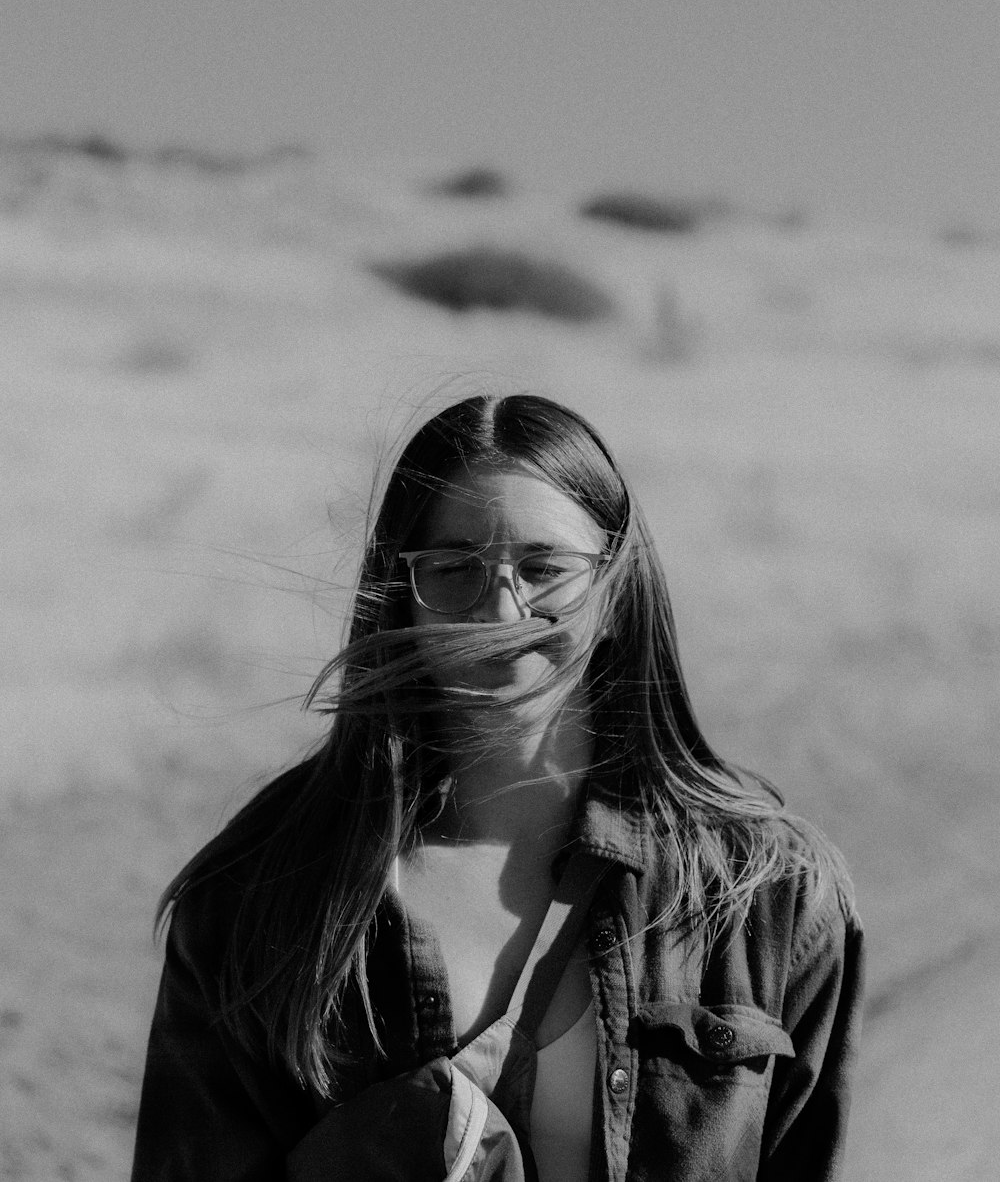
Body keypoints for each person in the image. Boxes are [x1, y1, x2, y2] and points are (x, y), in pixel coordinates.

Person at [131, 392, 865, 1182]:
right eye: (452, 569)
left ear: (617, 588)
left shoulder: (770, 894)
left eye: (544, 567)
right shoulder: (260, 898)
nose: (501, 607)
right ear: (400, 598)